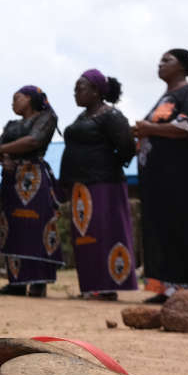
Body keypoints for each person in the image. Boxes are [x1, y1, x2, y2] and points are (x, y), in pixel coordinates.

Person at [133, 49, 188, 302]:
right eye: (160, 60)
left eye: (167, 60)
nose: (160, 63)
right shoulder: (163, 98)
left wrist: (149, 128)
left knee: (182, 230)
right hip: (159, 182)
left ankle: (187, 290)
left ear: (183, 66)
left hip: (182, 180)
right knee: (161, 232)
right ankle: (165, 289)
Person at [60, 70, 137, 300]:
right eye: (74, 89)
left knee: (105, 234)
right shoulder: (82, 117)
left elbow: (127, 146)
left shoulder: (111, 115)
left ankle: (107, 286)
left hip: (104, 185)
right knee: (86, 237)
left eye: (80, 88)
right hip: (81, 185)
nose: (76, 93)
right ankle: (91, 285)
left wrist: (107, 163)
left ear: (96, 91)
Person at [0, 86, 63, 297]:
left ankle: (39, 281)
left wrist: (2, 150)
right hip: (11, 179)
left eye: (17, 98)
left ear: (30, 99)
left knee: (37, 226)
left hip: (34, 178)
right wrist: (3, 158)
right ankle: (17, 282)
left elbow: (33, 141)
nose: (13, 103)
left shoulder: (47, 118)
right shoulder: (12, 125)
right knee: (13, 228)